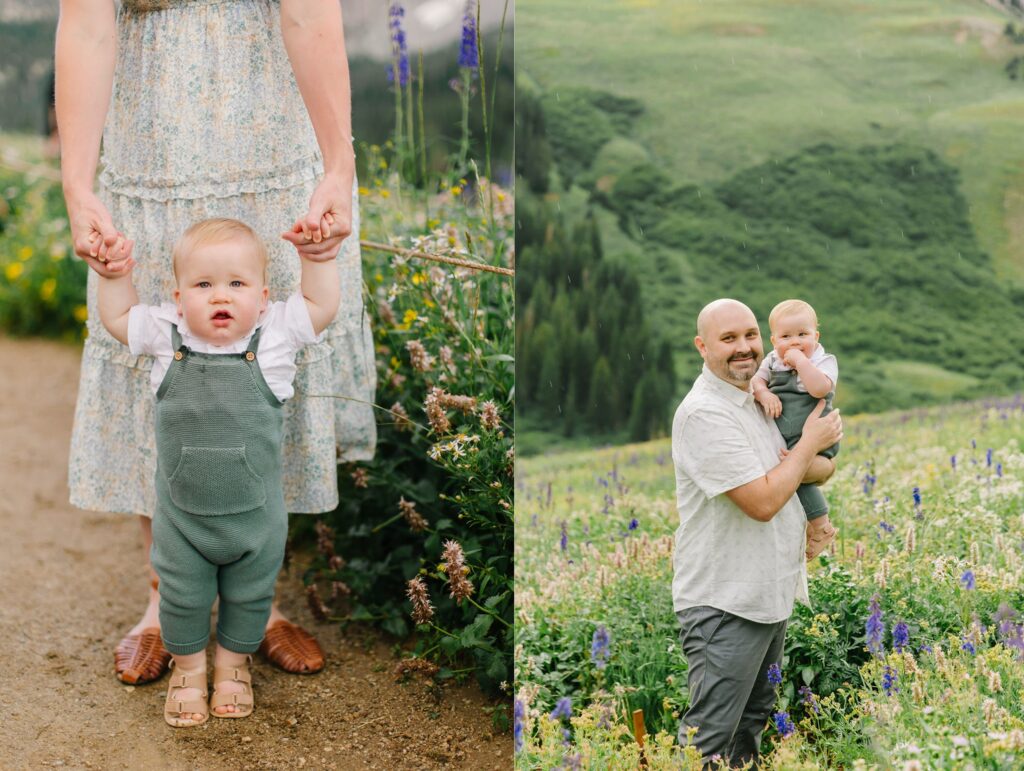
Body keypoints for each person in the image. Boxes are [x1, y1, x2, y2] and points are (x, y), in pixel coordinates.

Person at [55, 0, 376, 683]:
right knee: (170, 374)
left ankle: (255, 603)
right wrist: (77, 186)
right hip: (153, 129)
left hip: (268, 119)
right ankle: (164, 599)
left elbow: (311, 12)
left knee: (266, 367)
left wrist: (338, 165)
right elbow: (86, 21)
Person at [95, 217, 338, 725]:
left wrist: (317, 260)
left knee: (251, 593)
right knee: (180, 594)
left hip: (256, 517)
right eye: (203, 285)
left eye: (236, 283)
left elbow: (321, 307)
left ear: (264, 296)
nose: (219, 295)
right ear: (179, 298)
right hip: (183, 516)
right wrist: (114, 274)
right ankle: (188, 670)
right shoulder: (167, 336)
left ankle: (232, 668)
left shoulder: (272, 339)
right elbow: (117, 318)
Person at [671, 299, 843, 767]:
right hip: (724, 602)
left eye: (751, 335)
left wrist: (814, 453)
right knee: (708, 738)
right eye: (728, 339)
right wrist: (812, 442)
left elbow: (815, 471)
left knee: (750, 725)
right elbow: (765, 501)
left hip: (768, 592)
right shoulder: (705, 414)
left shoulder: (758, 396)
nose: (744, 348)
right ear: (702, 346)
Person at [752, 298, 840, 560]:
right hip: (787, 437)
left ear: (816, 336)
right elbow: (757, 381)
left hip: (815, 436)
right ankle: (807, 527)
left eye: (803, 334)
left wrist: (802, 362)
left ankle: (821, 525)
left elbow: (820, 389)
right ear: (773, 341)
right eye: (786, 336)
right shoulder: (771, 361)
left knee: (797, 474)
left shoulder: (822, 360)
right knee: (790, 476)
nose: (794, 342)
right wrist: (764, 393)